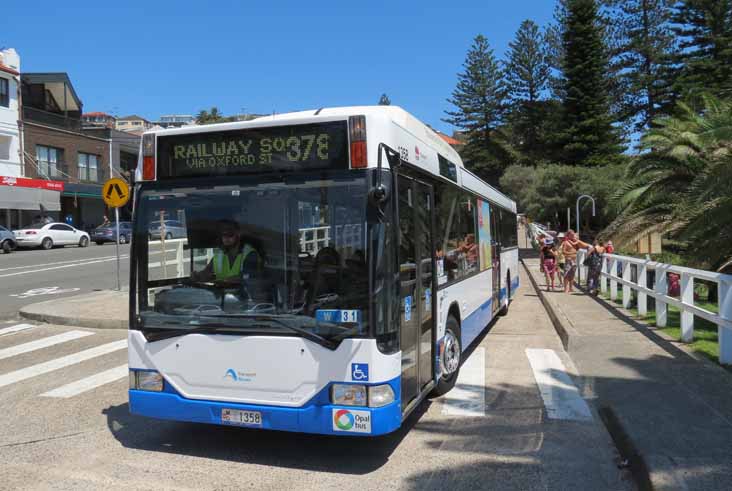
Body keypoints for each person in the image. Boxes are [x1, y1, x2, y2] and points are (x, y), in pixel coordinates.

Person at [191, 220, 261, 287]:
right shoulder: (219, 255)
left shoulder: (250, 254)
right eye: (224, 235)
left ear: (238, 234)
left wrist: (225, 281)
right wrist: (198, 276)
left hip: (244, 297)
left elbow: (247, 277)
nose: (226, 238)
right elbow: (207, 272)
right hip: (221, 296)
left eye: (230, 234)